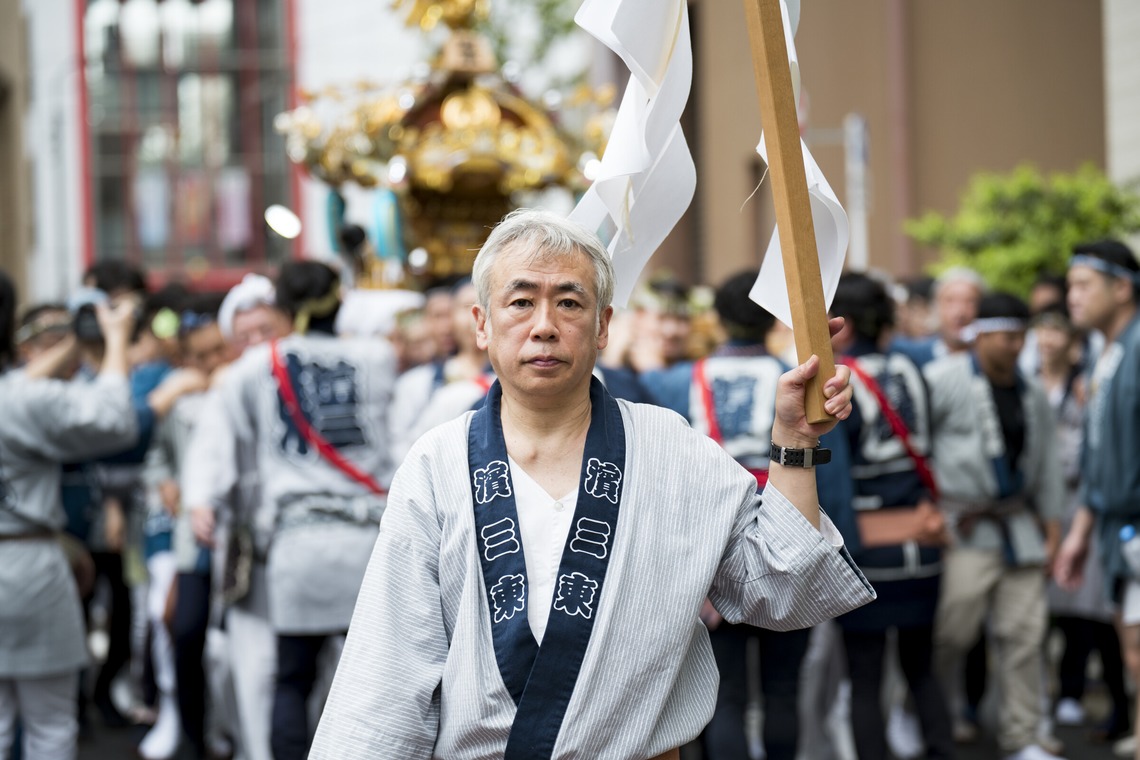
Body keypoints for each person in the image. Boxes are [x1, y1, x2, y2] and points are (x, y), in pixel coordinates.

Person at [308, 208, 874, 759]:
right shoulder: (436, 466)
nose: (545, 326)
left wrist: (794, 441)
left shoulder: (670, 448)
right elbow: (386, 672)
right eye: (521, 301)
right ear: (481, 324)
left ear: (603, 326)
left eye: (570, 302)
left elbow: (781, 587)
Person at [208, 261, 397, 760]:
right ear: (340, 298)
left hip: (297, 541)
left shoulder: (253, 367)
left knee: (293, 678)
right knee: (376, 684)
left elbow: (233, 462)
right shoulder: (378, 357)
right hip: (368, 541)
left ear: (284, 307)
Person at [642, 270, 811, 760]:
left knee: (725, 695)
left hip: (710, 552)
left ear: (716, 318)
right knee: (783, 690)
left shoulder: (675, 383)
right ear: (771, 319)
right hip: (784, 536)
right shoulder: (797, 381)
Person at [0, 271, 140, 759]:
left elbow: (16, 387)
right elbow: (115, 419)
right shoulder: (22, 399)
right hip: (29, 564)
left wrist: (74, 344)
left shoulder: (17, 392)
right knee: (50, 724)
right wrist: (116, 340)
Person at [926, 292, 1066, 760]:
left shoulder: (1031, 391)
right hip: (962, 525)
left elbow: (1046, 463)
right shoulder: (942, 380)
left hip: (1017, 526)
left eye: (1020, 337)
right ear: (982, 335)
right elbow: (918, 452)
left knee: (1025, 634)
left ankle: (1022, 736)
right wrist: (928, 514)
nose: (1016, 346)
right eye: (1008, 336)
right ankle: (930, 715)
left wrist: (1052, 526)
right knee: (951, 633)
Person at [826, 273, 953, 760]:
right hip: (922, 539)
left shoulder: (841, 381)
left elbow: (835, 475)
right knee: (922, 667)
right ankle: (942, 750)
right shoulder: (912, 367)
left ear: (847, 323)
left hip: (868, 543)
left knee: (865, 674)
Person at [1054, 239, 1140, 760]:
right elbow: (1097, 457)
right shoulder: (1104, 352)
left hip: (1136, 523)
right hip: (1117, 527)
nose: (1072, 297)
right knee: (1132, 648)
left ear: (1122, 287)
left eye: (1084, 285)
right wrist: (1080, 535)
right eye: (1070, 286)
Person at [1034, 304, 1129, 744]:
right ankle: (1060, 698)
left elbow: (1087, 453)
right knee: (1056, 614)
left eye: (1058, 333)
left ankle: (1119, 711)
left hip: (1082, 508)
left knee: (1098, 613)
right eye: (1043, 331)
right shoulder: (1028, 382)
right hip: (1042, 510)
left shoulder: (1088, 383)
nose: (1048, 341)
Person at [893, 267, 984, 368]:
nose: (959, 312)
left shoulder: (989, 362)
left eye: (969, 302)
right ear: (936, 306)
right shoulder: (914, 357)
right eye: (950, 301)